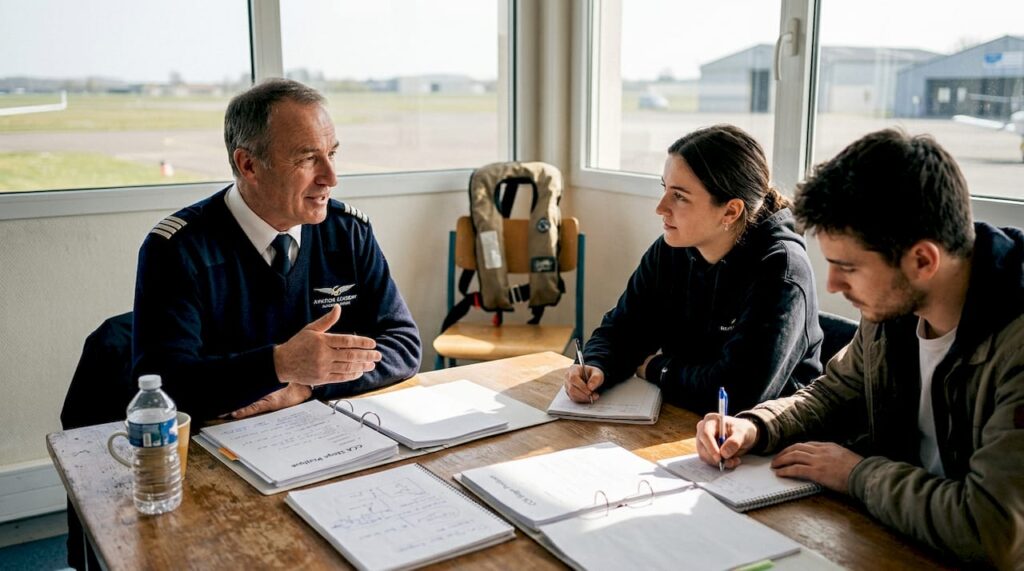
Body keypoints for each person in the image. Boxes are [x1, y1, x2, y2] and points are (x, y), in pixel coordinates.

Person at [695, 129, 1024, 567]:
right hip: (898, 540)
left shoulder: (1015, 348)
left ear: (923, 261)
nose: (831, 285)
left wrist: (855, 475)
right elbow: (832, 392)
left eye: (847, 267)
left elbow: (992, 529)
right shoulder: (892, 313)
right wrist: (754, 426)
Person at [132, 78, 422, 422]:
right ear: (249, 165)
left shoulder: (348, 232)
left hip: (324, 430)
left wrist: (307, 386)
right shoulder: (178, 249)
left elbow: (403, 344)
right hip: (219, 445)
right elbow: (165, 387)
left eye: (331, 154)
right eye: (308, 158)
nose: (331, 177)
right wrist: (279, 364)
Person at [565, 125, 823, 413]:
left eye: (680, 196)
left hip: (762, 444)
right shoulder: (672, 248)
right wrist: (596, 364)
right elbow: (624, 328)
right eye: (665, 189)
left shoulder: (782, 270)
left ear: (730, 211)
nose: (661, 208)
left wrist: (653, 368)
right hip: (683, 417)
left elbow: (734, 394)